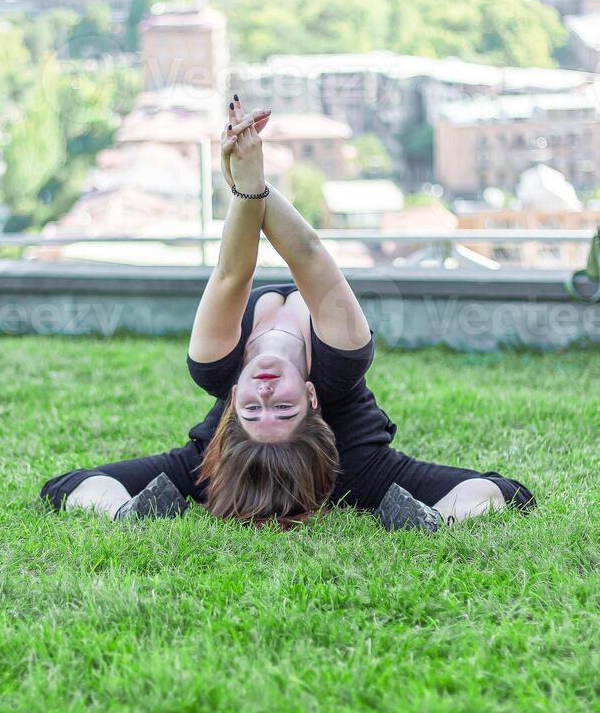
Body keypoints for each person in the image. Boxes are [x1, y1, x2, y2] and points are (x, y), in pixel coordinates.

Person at [41, 96, 535, 530]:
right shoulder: (342, 360)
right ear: (312, 397)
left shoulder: (215, 370)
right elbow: (309, 255)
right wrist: (250, 183)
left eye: (254, 407)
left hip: (254, 450)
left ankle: (124, 513)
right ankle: (439, 523)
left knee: (84, 486)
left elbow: (232, 274)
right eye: (283, 406)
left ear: (232, 400)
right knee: (493, 492)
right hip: (352, 457)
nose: (267, 392)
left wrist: (245, 182)